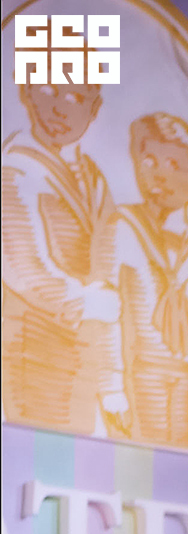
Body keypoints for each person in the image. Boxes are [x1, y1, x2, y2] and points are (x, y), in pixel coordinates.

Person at [1, 82, 124, 435]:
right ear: (25, 92)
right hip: (34, 344)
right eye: (47, 90)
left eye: (75, 98)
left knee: (80, 440)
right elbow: (21, 266)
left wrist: (112, 375)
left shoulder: (93, 178)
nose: (59, 108)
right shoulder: (15, 167)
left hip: (86, 347)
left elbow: (107, 262)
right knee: (43, 441)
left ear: (94, 109)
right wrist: (85, 301)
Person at [110, 114, 188, 449]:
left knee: (180, 459)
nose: (159, 174)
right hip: (141, 373)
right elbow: (109, 312)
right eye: (148, 161)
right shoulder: (124, 227)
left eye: (174, 164)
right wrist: (112, 386)